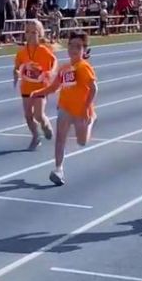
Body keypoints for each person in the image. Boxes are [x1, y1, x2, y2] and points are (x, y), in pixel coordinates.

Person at [31, 31, 97, 186]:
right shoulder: (64, 68)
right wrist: (38, 92)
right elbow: (54, 87)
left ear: (84, 50)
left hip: (81, 110)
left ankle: (92, 120)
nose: (74, 49)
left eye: (78, 47)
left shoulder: (84, 67)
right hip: (65, 107)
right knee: (60, 138)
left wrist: (87, 109)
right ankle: (58, 169)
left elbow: (94, 89)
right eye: (71, 45)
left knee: (82, 142)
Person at [13, 20, 57, 150]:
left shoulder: (44, 50)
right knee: (28, 115)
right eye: (27, 32)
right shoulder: (21, 52)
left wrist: (51, 71)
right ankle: (35, 136)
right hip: (26, 86)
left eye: (34, 32)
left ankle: (45, 124)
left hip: (41, 87)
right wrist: (16, 72)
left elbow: (54, 61)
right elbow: (17, 67)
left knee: (38, 114)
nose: (30, 35)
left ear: (40, 34)